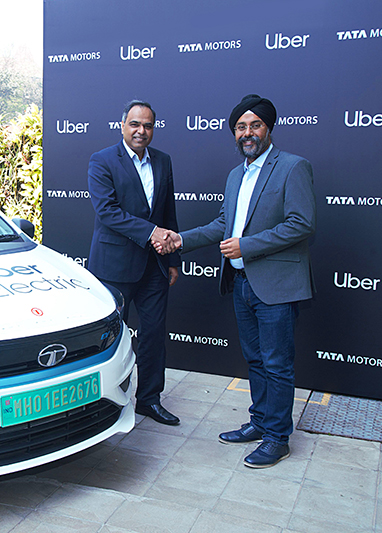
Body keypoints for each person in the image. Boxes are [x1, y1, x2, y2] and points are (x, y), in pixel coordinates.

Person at [157, 94, 315, 467]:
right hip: (242, 283)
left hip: (277, 285)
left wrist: (247, 245)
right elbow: (223, 224)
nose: (247, 133)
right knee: (256, 360)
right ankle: (260, 422)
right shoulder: (235, 175)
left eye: (255, 125)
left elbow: (302, 223)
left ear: (268, 128)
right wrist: (181, 240)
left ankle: (277, 438)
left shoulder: (292, 167)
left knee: (277, 363)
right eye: (241, 127)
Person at [87, 100, 181, 426]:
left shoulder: (163, 161)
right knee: (111, 338)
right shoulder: (102, 160)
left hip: (155, 265)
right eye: (135, 124)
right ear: (122, 125)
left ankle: (150, 400)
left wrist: (173, 258)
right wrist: (152, 232)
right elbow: (108, 212)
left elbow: (168, 213)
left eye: (148, 125)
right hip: (114, 266)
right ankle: (105, 402)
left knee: (154, 335)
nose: (141, 131)